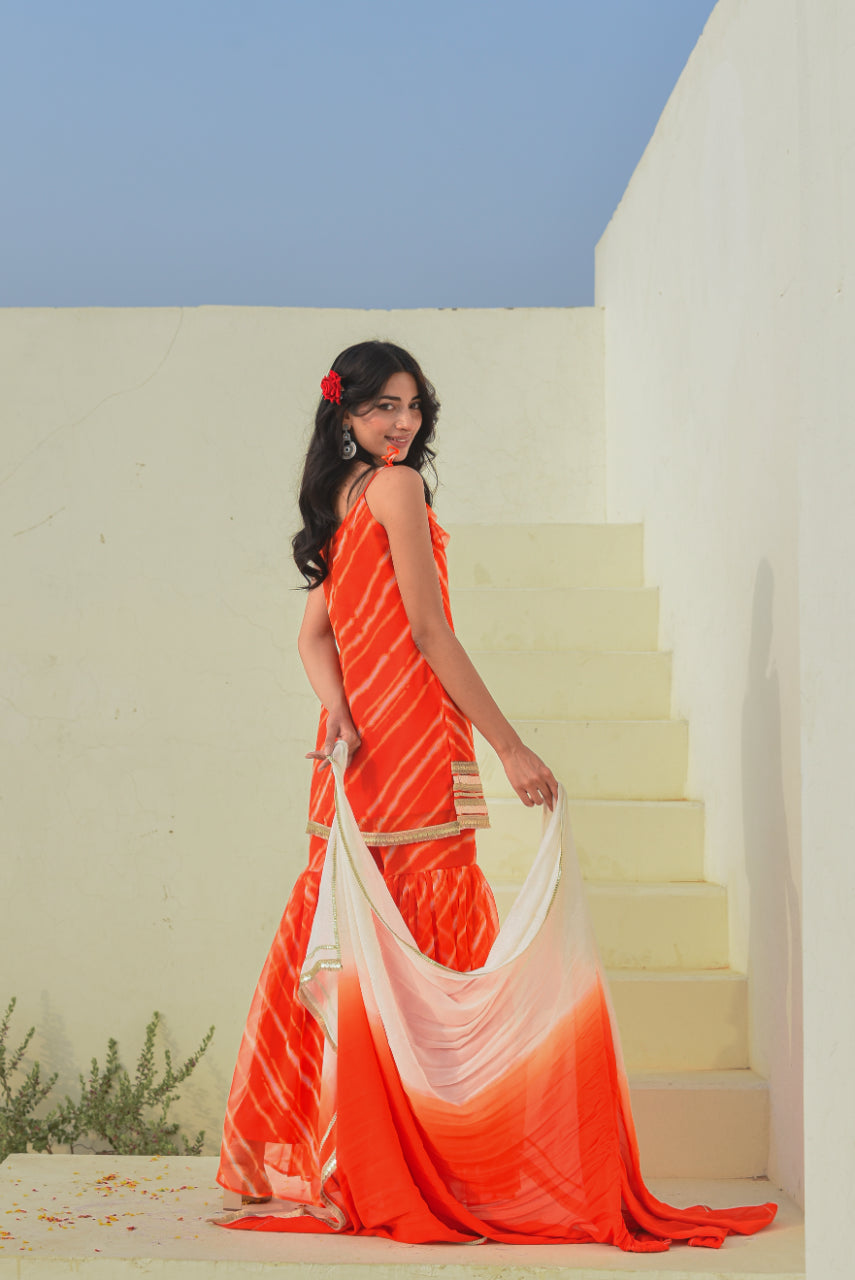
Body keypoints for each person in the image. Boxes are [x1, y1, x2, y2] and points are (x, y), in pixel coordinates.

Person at [213, 341, 777, 1251]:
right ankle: (444, 1156)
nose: (401, 423)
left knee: (357, 947)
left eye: (411, 407)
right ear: (345, 414)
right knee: (421, 956)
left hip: (352, 760)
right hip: (409, 749)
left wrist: (340, 720)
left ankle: (363, 1155)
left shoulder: (343, 499)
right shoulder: (395, 491)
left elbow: (314, 641)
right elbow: (429, 631)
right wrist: (509, 746)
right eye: (382, 408)